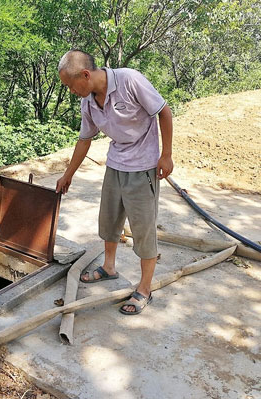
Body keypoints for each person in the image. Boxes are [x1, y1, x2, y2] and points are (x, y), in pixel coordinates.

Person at [56, 49, 173, 315]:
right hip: (115, 164)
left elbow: (164, 112)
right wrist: (68, 174)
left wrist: (166, 155)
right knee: (109, 222)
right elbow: (84, 139)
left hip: (143, 167)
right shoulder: (87, 102)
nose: (70, 91)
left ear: (85, 75)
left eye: (70, 85)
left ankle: (144, 289)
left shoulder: (130, 80)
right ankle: (109, 267)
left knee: (143, 230)